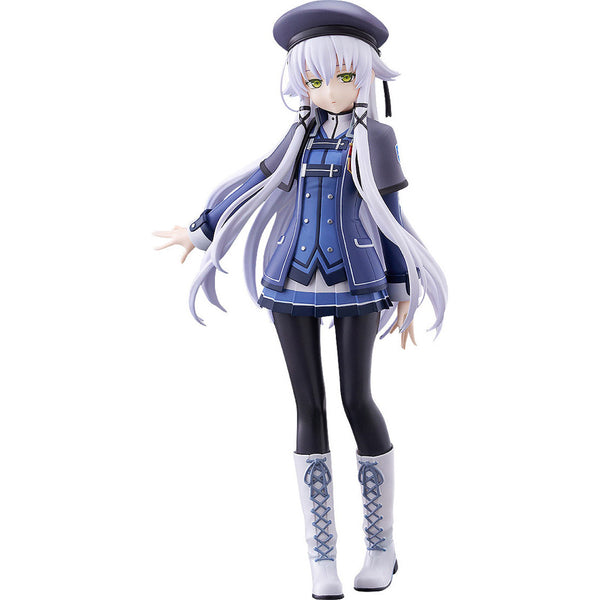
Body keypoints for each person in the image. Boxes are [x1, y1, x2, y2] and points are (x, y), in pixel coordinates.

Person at [154, 2, 447, 597]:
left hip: (357, 278)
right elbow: (254, 180)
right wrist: (201, 229)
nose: (329, 90)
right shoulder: (298, 136)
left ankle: (381, 547)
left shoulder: (377, 138)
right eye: (314, 80)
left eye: (344, 76)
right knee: (307, 407)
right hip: (289, 277)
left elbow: (391, 214)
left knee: (356, 399)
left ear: (366, 75)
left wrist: (404, 287)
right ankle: (322, 560)